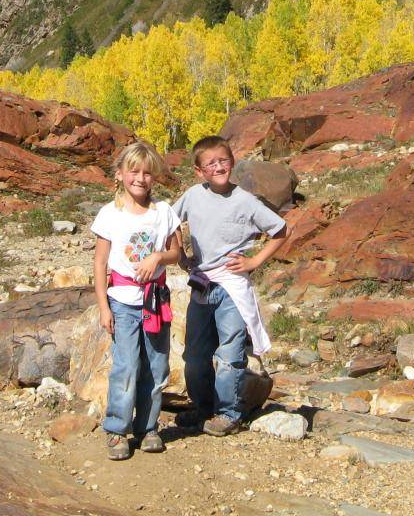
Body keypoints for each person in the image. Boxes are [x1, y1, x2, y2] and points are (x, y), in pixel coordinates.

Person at [175, 135, 288, 436]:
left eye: (223, 160)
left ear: (233, 162)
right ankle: (202, 407)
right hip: (202, 284)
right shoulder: (192, 196)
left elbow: (280, 230)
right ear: (199, 171)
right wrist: (180, 256)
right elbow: (169, 222)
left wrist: (254, 262)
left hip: (232, 286)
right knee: (195, 356)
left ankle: (229, 413)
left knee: (230, 352)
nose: (218, 166)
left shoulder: (245, 201)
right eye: (210, 163)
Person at [92, 140, 182, 461]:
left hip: (155, 300)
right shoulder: (109, 214)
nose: (140, 178)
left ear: (154, 177)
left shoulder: (163, 212)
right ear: (119, 174)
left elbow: (176, 253)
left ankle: (148, 428)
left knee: (156, 367)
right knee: (127, 366)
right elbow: (100, 264)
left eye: (147, 173)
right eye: (134, 171)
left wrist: (158, 256)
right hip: (122, 301)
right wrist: (104, 308)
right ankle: (117, 429)